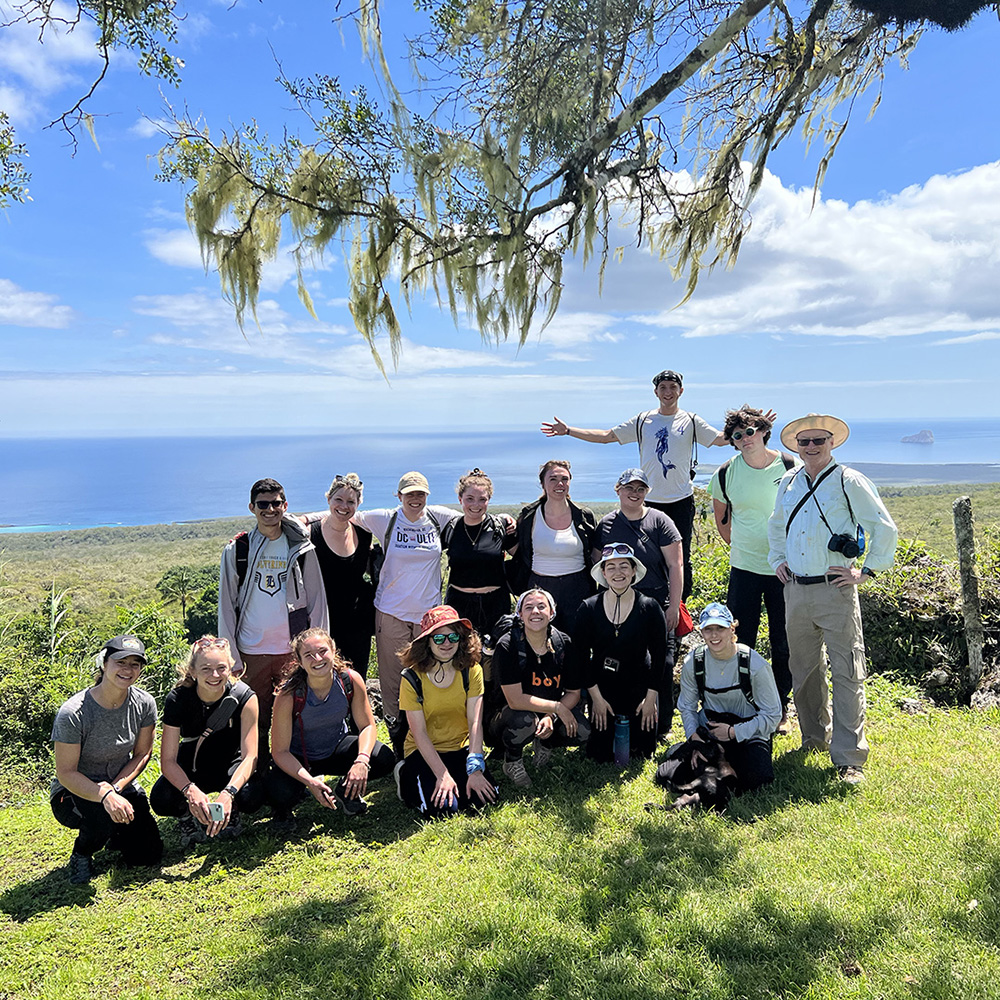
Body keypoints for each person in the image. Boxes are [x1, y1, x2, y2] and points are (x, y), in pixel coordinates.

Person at [767, 413, 898, 784]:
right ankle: (813, 738)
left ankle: (848, 756)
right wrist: (777, 559)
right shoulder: (789, 481)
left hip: (835, 588)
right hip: (796, 589)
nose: (811, 448)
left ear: (831, 443)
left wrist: (865, 571)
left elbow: (883, 526)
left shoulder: (848, 480)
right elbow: (776, 524)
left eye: (818, 441)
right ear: (796, 446)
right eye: (804, 442)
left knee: (846, 670)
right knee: (804, 670)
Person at [541, 369, 728, 600]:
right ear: (655, 392)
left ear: (681, 391)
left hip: (680, 500)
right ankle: (641, 603)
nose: (667, 392)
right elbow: (607, 435)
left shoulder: (690, 420)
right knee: (643, 556)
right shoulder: (643, 420)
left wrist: (751, 430)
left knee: (680, 559)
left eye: (672, 387)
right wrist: (569, 431)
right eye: (663, 388)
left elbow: (720, 439)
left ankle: (678, 609)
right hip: (646, 501)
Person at [218, 477, 329, 749]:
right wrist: (230, 654)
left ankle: (289, 768)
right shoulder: (237, 550)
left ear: (285, 505)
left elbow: (317, 599)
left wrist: (322, 645)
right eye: (263, 504)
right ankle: (255, 766)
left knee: (293, 713)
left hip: (290, 650)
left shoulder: (300, 548)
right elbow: (226, 604)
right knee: (253, 715)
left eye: (276, 503)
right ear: (251, 507)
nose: (270, 510)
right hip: (250, 649)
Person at [351, 472, 455, 754]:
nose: (415, 498)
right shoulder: (386, 518)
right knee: (393, 678)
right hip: (391, 612)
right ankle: (400, 740)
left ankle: (431, 736)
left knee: (430, 674)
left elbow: (473, 515)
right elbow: (344, 513)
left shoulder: (437, 517)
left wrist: (506, 521)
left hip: (429, 616)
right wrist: (301, 519)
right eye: (409, 494)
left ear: (427, 495)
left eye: (420, 493)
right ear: (399, 496)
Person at [50, 635, 163, 885]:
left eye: (135, 664)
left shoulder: (144, 703)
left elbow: (143, 754)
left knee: (148, 855)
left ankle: (117, 833)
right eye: (120, 662)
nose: (127, 670)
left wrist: (116, 789)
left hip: (118, 784)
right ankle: (82, 852)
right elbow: (65, 773)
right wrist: (104, 796)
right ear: (104, 663)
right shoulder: (74, 712)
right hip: (74, 791)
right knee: (101, 817)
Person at [708, 406, 796, 727]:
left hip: (783, 569)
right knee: (741, 639)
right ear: (731, 441)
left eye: (750, 431)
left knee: (782, 640)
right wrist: (744, 548)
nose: (745, 439)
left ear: (763, 431)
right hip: (744, 569)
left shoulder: (789, 466)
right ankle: (744, 702)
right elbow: (722, 520)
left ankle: (781, 705)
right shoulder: (725, 473)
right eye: (737, 435)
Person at [268, 628, 395, 821]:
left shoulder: (349, 679)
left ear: (333, 651)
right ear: (300, 662)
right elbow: (280, 751)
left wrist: (361, 760)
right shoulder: (288, 695)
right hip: (300, 758)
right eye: (308, 655)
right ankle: (286, 808)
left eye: (322, 651)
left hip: (336, 748)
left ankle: (346, 790)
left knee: (383, 758)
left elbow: (367, 726)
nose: (317, 659)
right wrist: (309, 781)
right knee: (279, 793)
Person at [150, 636, 264, 845]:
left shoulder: (245, 697)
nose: (214, 675)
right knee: (161, 799)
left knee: (251, 795)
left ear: (231, 668)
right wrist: (189, 791)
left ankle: (232, 810)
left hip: (230, 763)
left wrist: (229, 793)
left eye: (221, 668)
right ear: (192, 671)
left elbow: (250, 757)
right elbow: (168, 760)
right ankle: (187, 815)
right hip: (193, 765)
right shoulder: (178, 699)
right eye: (205, 669)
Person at [396, 606, 499, 818]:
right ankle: (405, 775)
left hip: (459, 748)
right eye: (439, 638)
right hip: (423, 750)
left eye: (453, 636)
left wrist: (476, 768)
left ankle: (457, 776)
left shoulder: (472, 670)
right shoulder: (411, 677)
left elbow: (475, 722)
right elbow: (419, 733)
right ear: (427, 641)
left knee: (485, 801)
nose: (447, 643)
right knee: (442, 810)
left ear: (461, 639)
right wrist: (442, 775)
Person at [671, 602, 782, 796]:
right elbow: (687, 707)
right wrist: (695, 738)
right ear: (701, 632)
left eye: (720, 628)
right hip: (711, 732)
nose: (714, 635)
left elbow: (773, 715)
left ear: (732, 629)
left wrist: (733, 732)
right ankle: (684, 751)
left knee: (757, 780)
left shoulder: (755, 665)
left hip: (749, 730)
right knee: (681, 776)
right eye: (708, 630)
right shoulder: (693, 662)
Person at [573, 544, 670, 762]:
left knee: (642, 751)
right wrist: (595, 698)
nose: (619, 573)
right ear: (604, 573)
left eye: (624, 566)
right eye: (612, 567)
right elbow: (580, 656)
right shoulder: (588, 608)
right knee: (600, 754)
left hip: (640, 688)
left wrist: (650, 698)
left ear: (634, 571)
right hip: (603, 688)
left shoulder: (650, 607)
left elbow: (660, 655)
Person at [487, 588, 590, 787]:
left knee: (582, 731)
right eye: (529, 607)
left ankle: (545, 743)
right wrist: (557, 709)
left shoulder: (563, 643)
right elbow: (515, 700)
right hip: (508, 714)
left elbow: (573, 693)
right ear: (519, 614)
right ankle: (512, 761)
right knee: (526, 721)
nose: (535, 611)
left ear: (552, 613)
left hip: (547, 710)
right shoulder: (508, 646)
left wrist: (551, 717)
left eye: (541, 607)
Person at [510, 460, 597, 632]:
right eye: (553, 479)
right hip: (539, 588)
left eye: (564, 479)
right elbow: (518, 550)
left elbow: (595, 553)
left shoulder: (583, 515)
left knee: (577, 643)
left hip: (578, 588)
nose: (560, 484)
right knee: (540, 639)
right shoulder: (530, 516)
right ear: (542, 483)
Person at [592, 468, 683, 631]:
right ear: (618, 490)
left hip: (655, 601)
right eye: (629, 487)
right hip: (616, 603)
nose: (635, 493)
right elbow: (597, 564)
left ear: (646, 492)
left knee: (660, 654)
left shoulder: (659, 522)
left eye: (641, 489)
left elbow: (675, 565)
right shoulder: (606, 524)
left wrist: (674, 607)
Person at [309, 473, 376, 677]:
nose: (344, 506)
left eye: (351, 502)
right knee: (325, 679)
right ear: (328, 499)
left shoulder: (364, 534)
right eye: (338, 499)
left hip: (358, 624)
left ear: (358, 504)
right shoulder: (311, 534)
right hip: (323, 621)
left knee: (357, 678)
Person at [441, 469, 516, 641]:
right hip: (459, 605)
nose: (476, 505)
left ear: (489, 500)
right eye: (470, 499)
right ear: (460, 499)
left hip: (496, 605)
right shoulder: (451, 529)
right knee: (461, 659)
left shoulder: (501, 527)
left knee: (495, 658)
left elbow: (524, 558)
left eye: (482, 499)